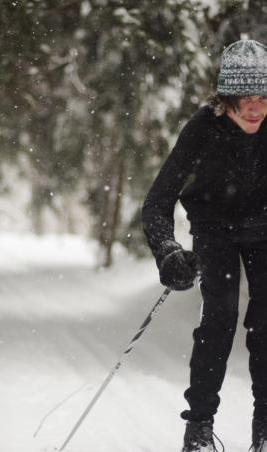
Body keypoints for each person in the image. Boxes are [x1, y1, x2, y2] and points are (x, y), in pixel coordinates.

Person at [141, 39, 267, 452]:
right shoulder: (203, 128)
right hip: (214, 229)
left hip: (265, 228)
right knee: (220, 317)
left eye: (263, 97)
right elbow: (157, 204)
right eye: (245, 99)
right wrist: (169, 252)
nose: (255, 109)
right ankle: (198, 427)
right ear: (225, 99)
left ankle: (264, 426)